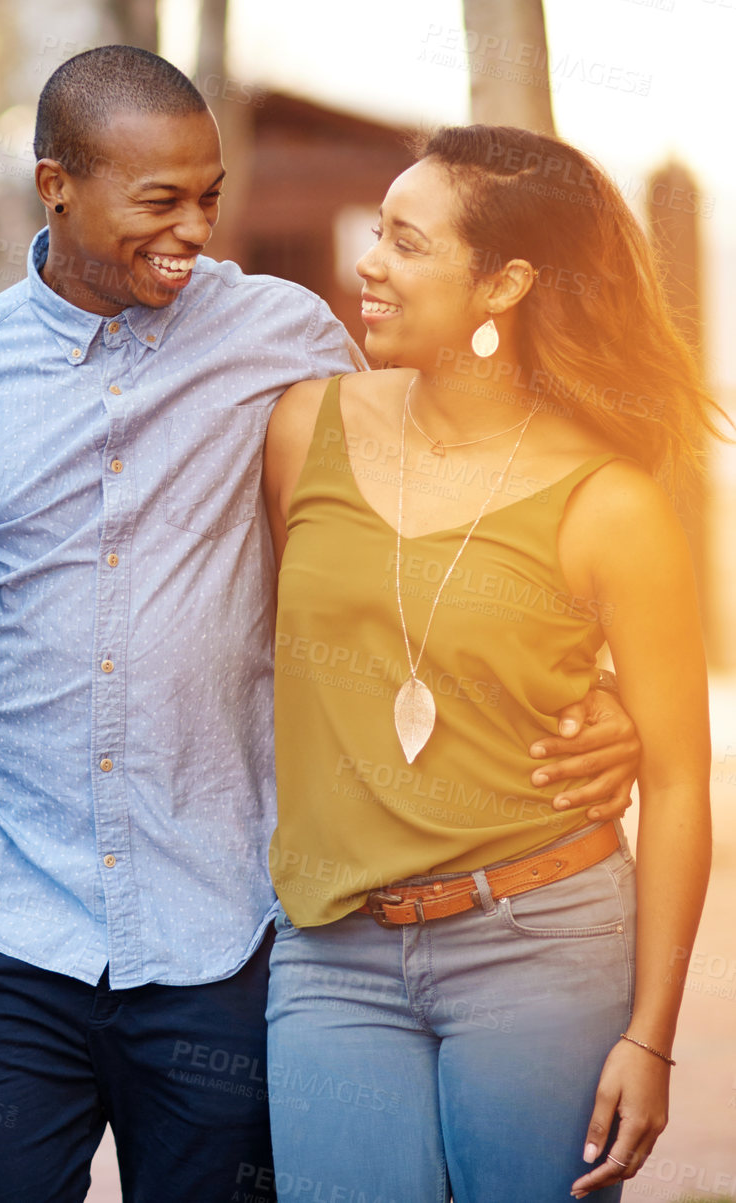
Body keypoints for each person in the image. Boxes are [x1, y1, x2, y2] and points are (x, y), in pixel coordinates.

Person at [0, 46, 639, 1203]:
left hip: (225, 931)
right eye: (159, 200)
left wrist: (603, 684)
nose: (193, 229)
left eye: (209, 197)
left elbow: (431, 539)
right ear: (55, 184)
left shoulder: (292, 342)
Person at [259, 125, 716, 1202]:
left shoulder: (612, 503)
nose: (368, 262)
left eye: (408, 244)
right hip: (331, 952)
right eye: (378, 233)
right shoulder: (301, 425)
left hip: (541, 943)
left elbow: (681, 780)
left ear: (503, 282)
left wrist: (650, 1038)